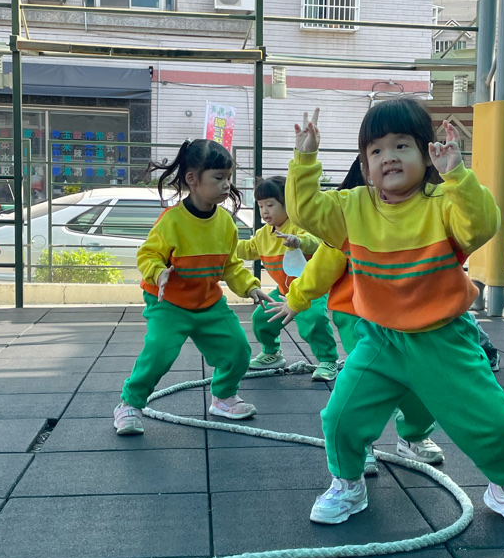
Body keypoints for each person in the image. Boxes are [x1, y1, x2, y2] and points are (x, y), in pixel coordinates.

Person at [286, 99, 504, 529]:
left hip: (443, 338)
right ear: (365, 165)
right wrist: (305, 158)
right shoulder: (352, 207)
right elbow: (305, 211)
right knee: (341, 417)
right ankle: (348, 483)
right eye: (376, 150)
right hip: (380, 340)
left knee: (492, 421)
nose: (388, 156)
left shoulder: (442, 202)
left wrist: (458, 176)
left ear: (427, 155)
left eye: (401, 145)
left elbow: (483, 224)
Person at [270, 158, 445, 477]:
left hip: (407, 317)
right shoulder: (352, 221)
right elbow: (322, 266)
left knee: (420, 382)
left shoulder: (422, 216)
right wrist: (296, 299)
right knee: (365, 382)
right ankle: (358, 443)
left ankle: (413, 434)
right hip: (356, 314)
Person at [113, 138, 272, 435]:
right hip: (169, 303)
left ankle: (223, 397)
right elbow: (148, 254)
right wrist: (158, 272)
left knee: (238, 349)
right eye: (219, 178)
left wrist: (250, 287)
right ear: (192, 179)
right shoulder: (172, 221)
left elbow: (230, 265)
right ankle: (129, 404)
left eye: (228, 178)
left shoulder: (225, 222)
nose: (226, 185)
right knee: (159, 352)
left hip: (208, 302)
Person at [236, 176, 339, 382]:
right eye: (260, 206)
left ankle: (328, 360)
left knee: (314, 320)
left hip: (309, 290)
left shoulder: (299, 225)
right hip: (284, 292)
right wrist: (224, 245)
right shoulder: (263, 235)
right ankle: (272, 353)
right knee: (261, 318)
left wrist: (298, 241)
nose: (264, 211)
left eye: (270, 205)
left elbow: (316, 241)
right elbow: (246, 249)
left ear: (288, 204)